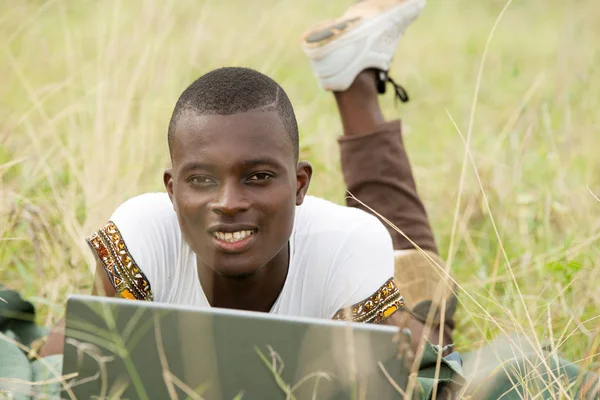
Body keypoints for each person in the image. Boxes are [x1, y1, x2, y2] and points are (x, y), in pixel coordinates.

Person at [38, 0, 454, 362]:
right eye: (201, 179)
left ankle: (356, 86)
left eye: (257, 176)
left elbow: (410, 380)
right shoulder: (142, 241)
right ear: (171, 189)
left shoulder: (346, 253)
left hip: (372, 272)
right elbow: (53, 370)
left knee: (433, 324)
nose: (229, 202)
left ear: (299, 184)